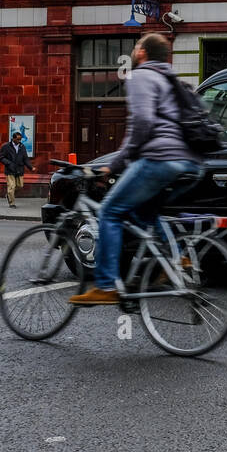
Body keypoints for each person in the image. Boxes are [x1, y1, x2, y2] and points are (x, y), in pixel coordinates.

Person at [70, 33, 204, 306]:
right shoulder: (171, 79)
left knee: (109, 211)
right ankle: (179, 257)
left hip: (160, 160)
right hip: (190, 163)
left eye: (136, 46)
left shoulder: (141, 76)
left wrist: (116, 164)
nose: (133, 50)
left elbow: (142, 124)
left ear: (142, 53)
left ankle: (106, 285)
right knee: (145, 211)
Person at [0, 131, 34, 208]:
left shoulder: (22, 146)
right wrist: (8, 163)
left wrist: (31, 167)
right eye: (18, 139)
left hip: (19, 169)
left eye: (20, 139)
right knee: (11, 186)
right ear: (13, 138)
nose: (19, 141)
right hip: (10, 170)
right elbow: (1, 157)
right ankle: (12, 203)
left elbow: (25, 158)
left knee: (20, 185)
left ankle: (9, 194)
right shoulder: (6, 146)